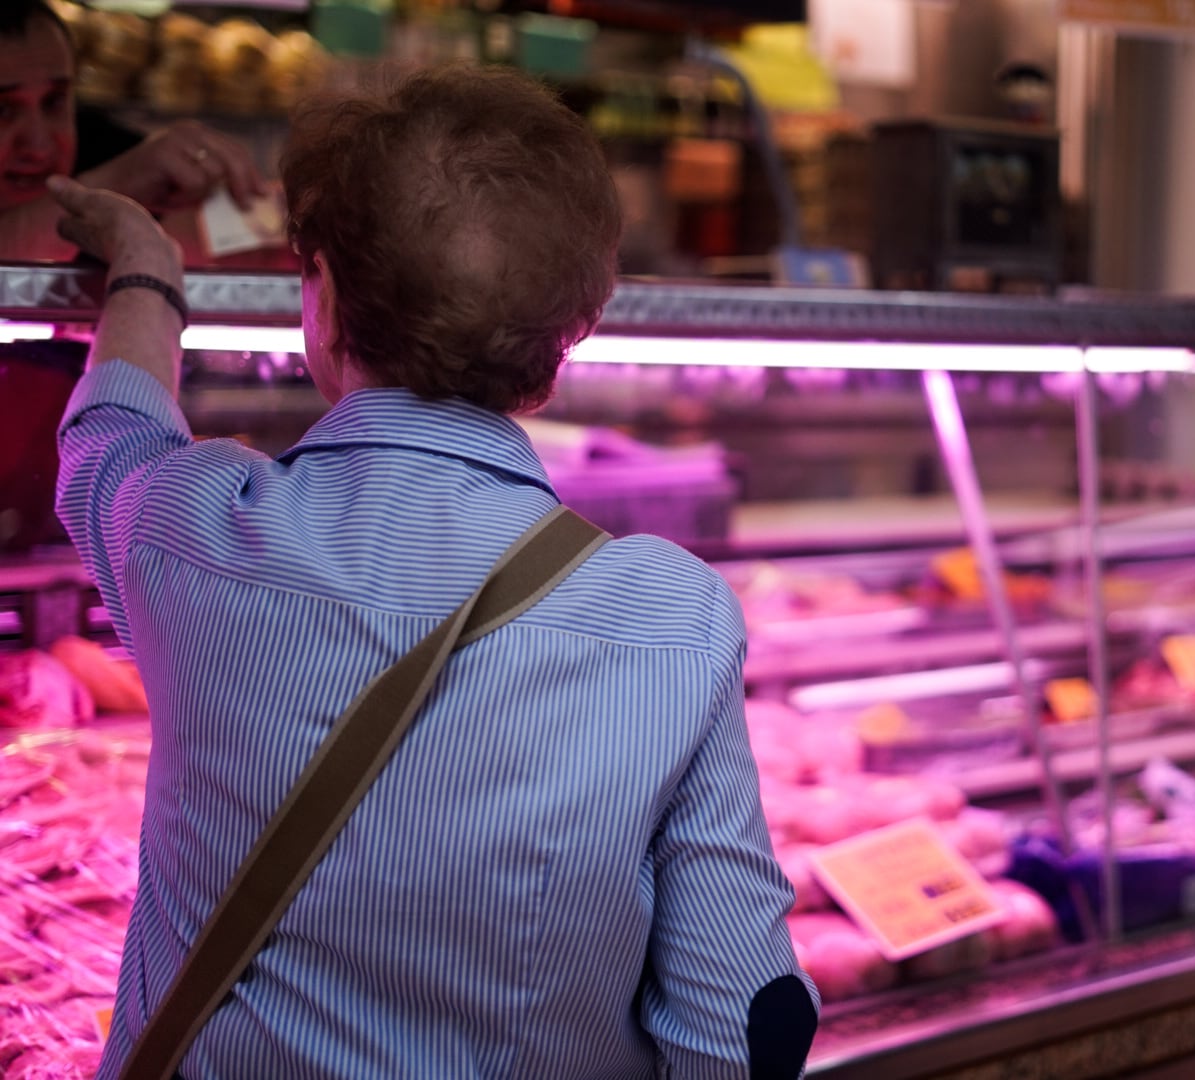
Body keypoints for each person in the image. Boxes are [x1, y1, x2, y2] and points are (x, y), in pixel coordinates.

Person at [53, 63, 818, 1078]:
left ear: (317, 300)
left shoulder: (192, 527)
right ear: (563, 344)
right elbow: (736, 1030)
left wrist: (146, 270)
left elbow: (107, 438)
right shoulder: (670, 617)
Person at [0, 0, 264, 261]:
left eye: (54, 102)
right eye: (3, 110)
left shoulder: (110, 149)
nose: (39, 146)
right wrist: (106, 189)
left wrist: (268, 215)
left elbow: (215, 241)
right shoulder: (122, 174)